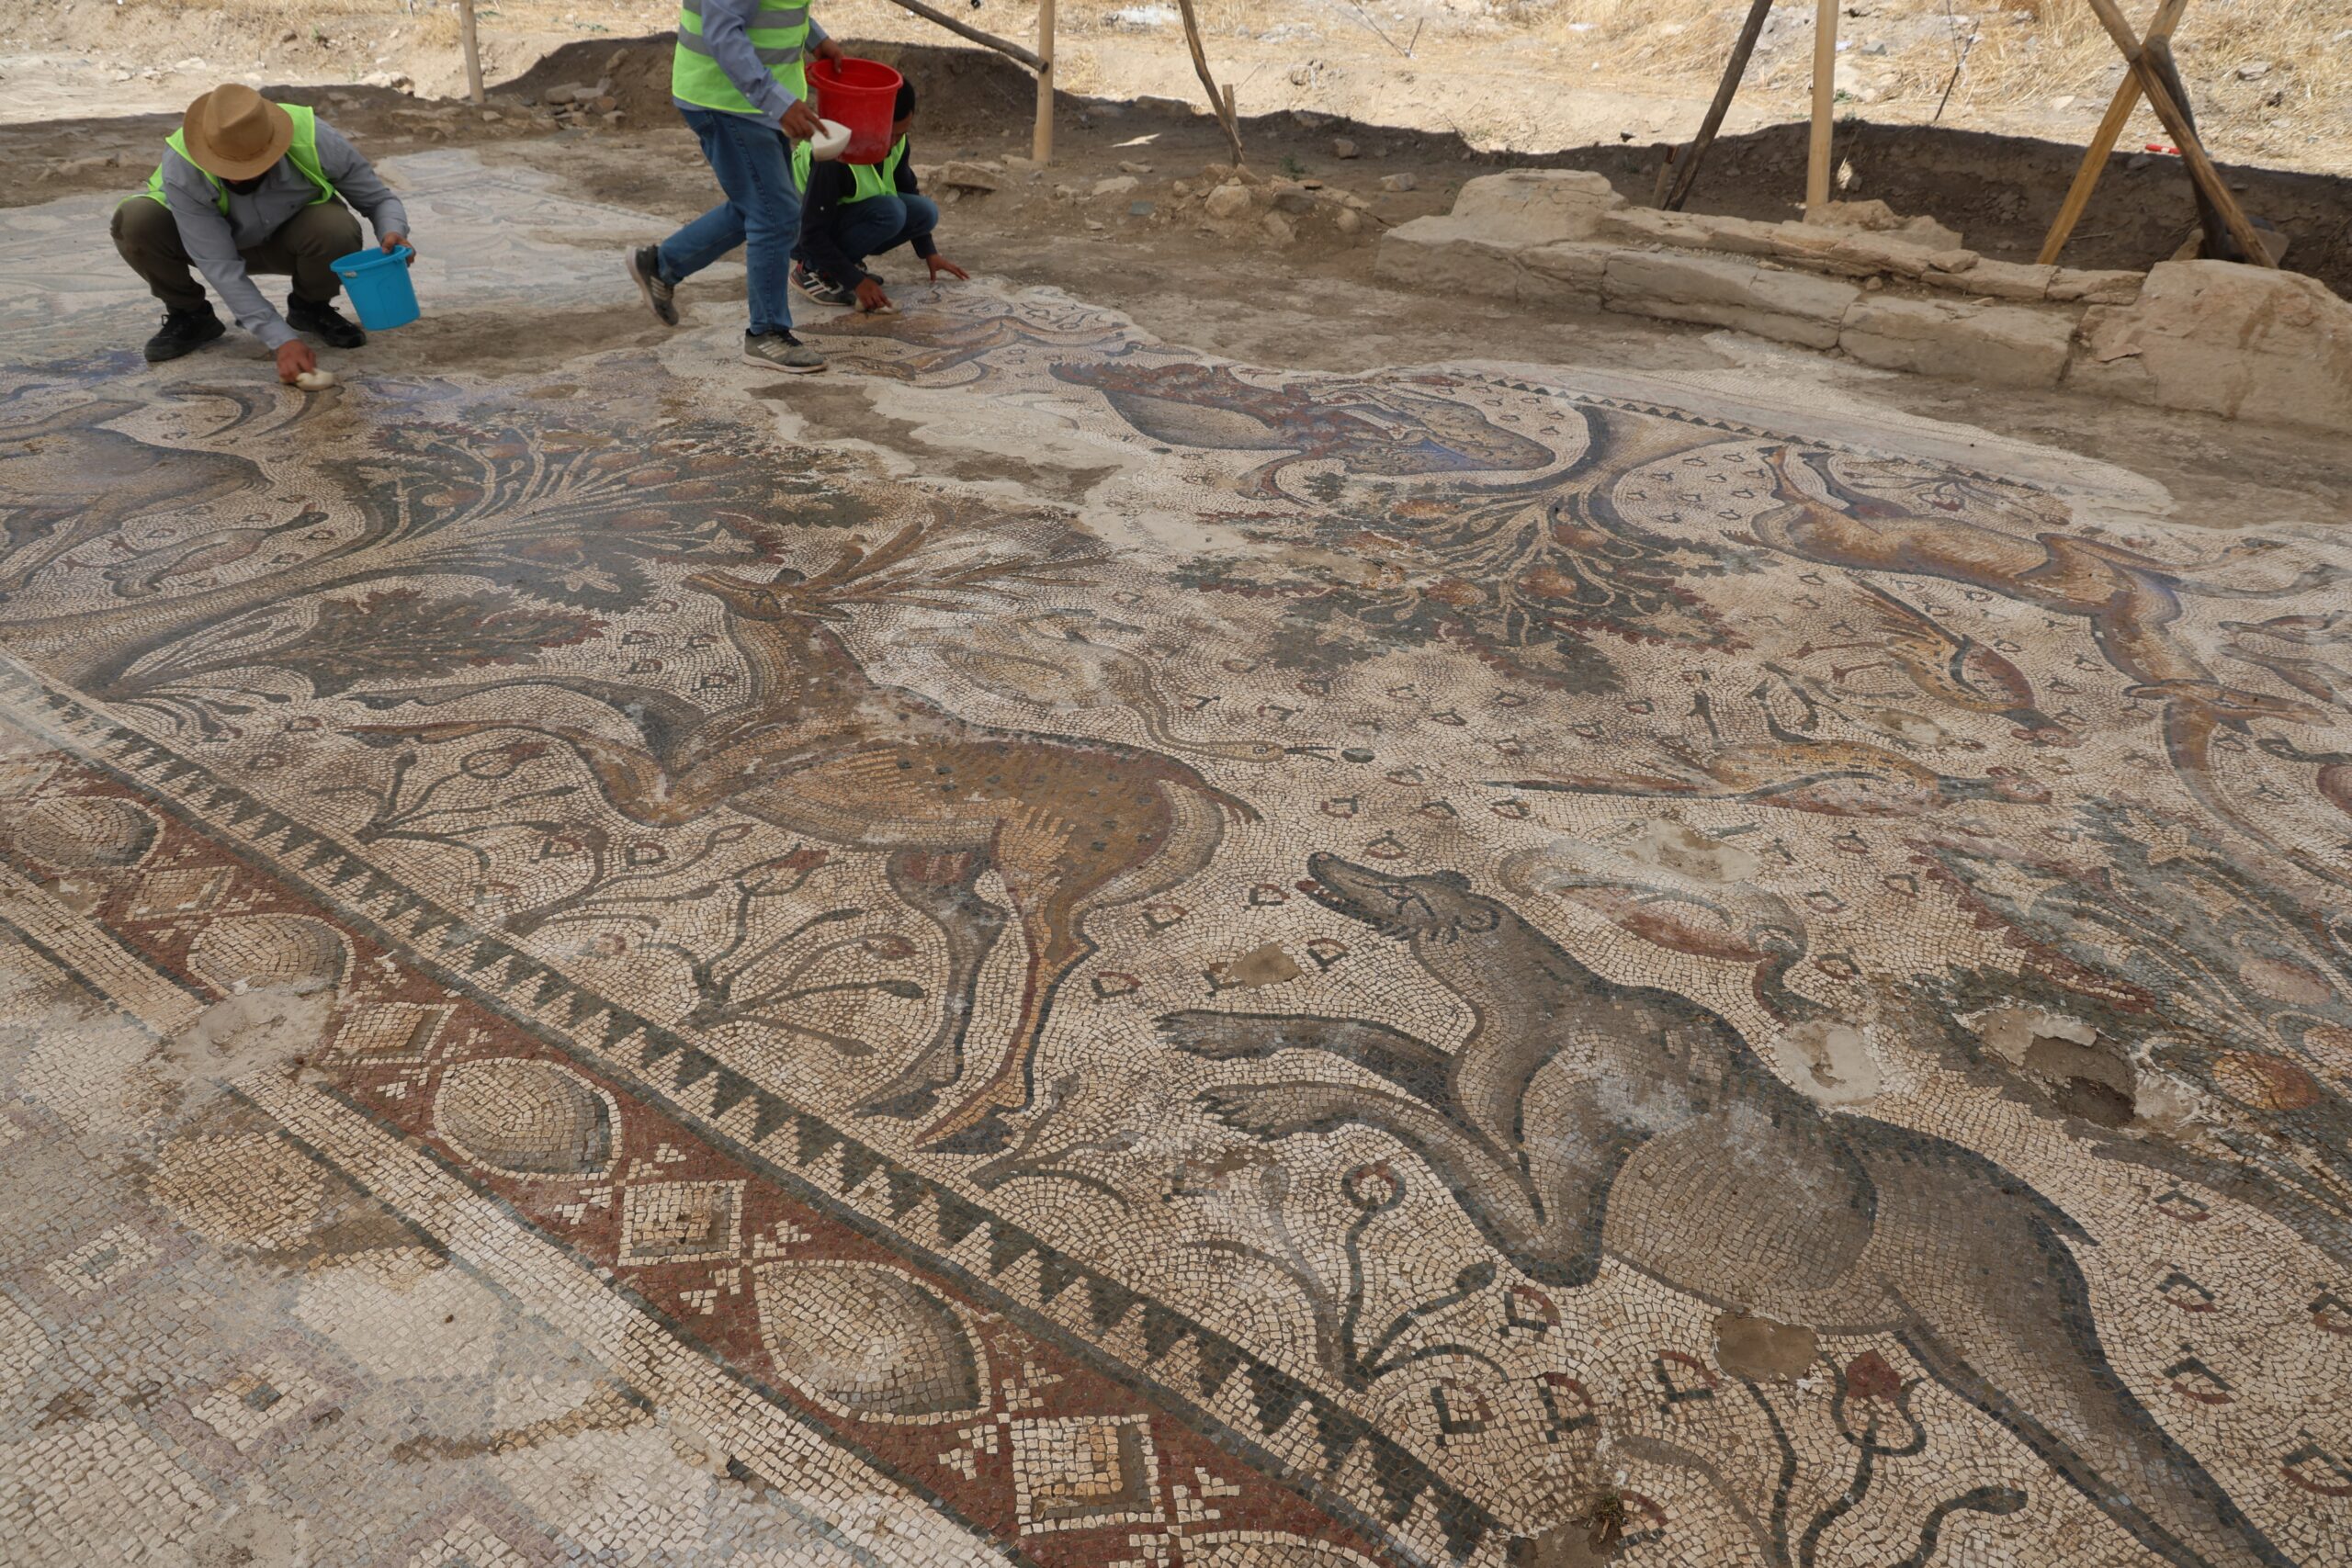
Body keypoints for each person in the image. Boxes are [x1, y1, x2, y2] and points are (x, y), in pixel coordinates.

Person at [113, 84, 412, 383]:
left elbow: (378, 199)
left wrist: (393, 230)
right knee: (137, 221)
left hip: (288, 239)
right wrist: (281, 340)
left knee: (336, 228)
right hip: (208, 243)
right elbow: (219, 263)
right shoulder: (183, 162)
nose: (238, 175)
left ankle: (311, 307)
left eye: (252, 164)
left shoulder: (314, 137)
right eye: (227, 164)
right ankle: (190, 315)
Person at [625, 0, 844, 373]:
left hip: (751, 101)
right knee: (774, 215)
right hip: (727, 100)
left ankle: (661, 265)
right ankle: (767, 334)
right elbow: (723, 32)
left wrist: (817, 39)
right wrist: (777, 102)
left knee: (760, 206)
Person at [790, 80, 968, 313]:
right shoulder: (835, 154)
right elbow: (810, 233)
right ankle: (811, 270)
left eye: (901, 134)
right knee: (890, 212)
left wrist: (929, 252)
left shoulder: (897, 144)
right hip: (798, 231)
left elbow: (908, 190)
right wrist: (857, 282)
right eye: (890, 134)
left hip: (834, 221)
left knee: (925, 212)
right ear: (871, 123)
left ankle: (842, 265)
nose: (894, 143)